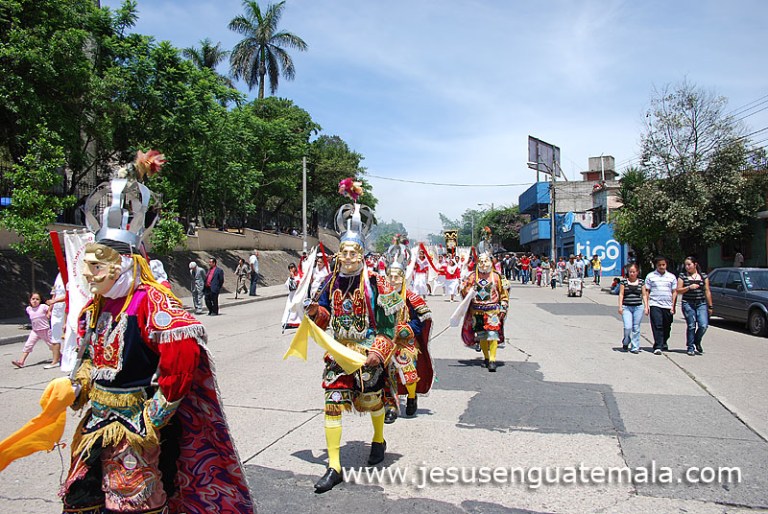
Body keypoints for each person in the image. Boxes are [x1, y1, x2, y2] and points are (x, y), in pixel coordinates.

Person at [60, 151, 253, 513]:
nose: (88, 274)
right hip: (96, 423)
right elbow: (89, 357)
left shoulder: (151, 301)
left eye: (97, 265)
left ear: (124, 264)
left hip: (138, 427)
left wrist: (155, 416)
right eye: (86, 265)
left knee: (134, 502)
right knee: (81, 498)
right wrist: (74, 385)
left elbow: (183, 358)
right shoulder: (97, 306)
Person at [303, 202, 402, 493]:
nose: (347, 257)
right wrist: (312, 313)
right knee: (332, 404)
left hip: (367, 351)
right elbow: (324, 316)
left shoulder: (377, 283)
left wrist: (378, 353)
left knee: (373, 403)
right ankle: (334, 466)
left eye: (353, 252)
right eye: (343, 252)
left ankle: (379, 438)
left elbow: (390, 323)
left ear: (362, 254)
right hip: (338, 353)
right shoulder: (329, 282)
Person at [383, 260, 433, 423]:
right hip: (384, 341)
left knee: (408, 371)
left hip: (405, 343)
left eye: (396, 277)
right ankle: (391, 406)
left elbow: (422, 320)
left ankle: (411, 397)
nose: (393, 280)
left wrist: (404, 330)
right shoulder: (381, 296)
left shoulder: (411, 297)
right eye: (390, 276)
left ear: (403, 278)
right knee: (382, 374)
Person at [460, 251, 509, 372]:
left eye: (485, 261)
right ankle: (486, 357)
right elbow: (465, 293)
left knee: (493, 335)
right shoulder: (472, 276)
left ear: (490, 262)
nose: (483, 264)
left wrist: (503, 305)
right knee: (482, 336)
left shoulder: (497, 276)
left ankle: (492, 360)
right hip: (477, 311)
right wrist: (464, 288)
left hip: (492, 311)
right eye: (480, 261)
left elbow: (504, 293)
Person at [12, 292, 60, 369]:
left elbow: (50, 309)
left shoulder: (43, 306)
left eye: (37, 299)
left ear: (40, 300)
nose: (35, 301)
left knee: (52, 345)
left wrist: (49, 312)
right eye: (33, 299)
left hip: (45, 330)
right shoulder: (28, 309)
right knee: (28, 345)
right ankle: (21, 361)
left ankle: (60, 357)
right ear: (30, 300)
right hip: (35, 331)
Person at [677, 256, 713, 355]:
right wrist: (689, 287)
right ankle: (690, 346)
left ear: (695, 264)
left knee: (703, 325)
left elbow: (707, 291)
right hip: (688, 303)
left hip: (701, 303)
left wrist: (710, 306)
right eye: (686, 265)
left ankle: (697, 340)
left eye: (689, 264)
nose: (687, 267)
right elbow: (678, 290)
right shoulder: (682, 276)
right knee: (691, 325)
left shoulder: (703, 276)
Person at [644, 255, 678, 355]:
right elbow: (647, 291)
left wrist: (673, 306)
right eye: (659, 265)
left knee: (667, 326)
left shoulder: (671, 277)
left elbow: (674, 292)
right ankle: (658, 345)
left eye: (663, 265)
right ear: (656, 265)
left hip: (667, 305)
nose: (662, 267)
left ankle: (664, 341)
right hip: (655, 304)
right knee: (657, 324)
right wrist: (646, 305)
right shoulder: (650, 276)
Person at [618, 264, 646, 353]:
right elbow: (621, 294)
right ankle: (626, 340)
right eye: (630, 272)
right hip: (626, 307)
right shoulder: (624, 282)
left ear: (637, 272)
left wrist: (646, 306)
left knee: (636, 327)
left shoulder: (641, 282)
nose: (632, 274)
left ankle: (635, 347)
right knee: (628, 327)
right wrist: (620, 306)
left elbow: (644, 295)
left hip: (638, 307)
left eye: (634, 272)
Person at [48, 273, 67, 361]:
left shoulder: (70, 272)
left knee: (67, 333)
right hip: (56, 308)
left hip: (66, 308)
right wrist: (50, 309)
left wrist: (55, 301)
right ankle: (55, 360)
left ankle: (68, 359)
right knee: (55, 334)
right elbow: (54, 293)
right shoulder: (58, 275)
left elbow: (70, 294)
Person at [281, 263, 303, 330]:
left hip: (298, 294)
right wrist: (291, 278)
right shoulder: (290, 278)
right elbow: (289, 286)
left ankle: (298, 321)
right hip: (292, 295)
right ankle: (288, 322)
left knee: (298, 308)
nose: (292, 269)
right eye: (290, 268)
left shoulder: (299, 276)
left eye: (293, 267)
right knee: (290, 308)